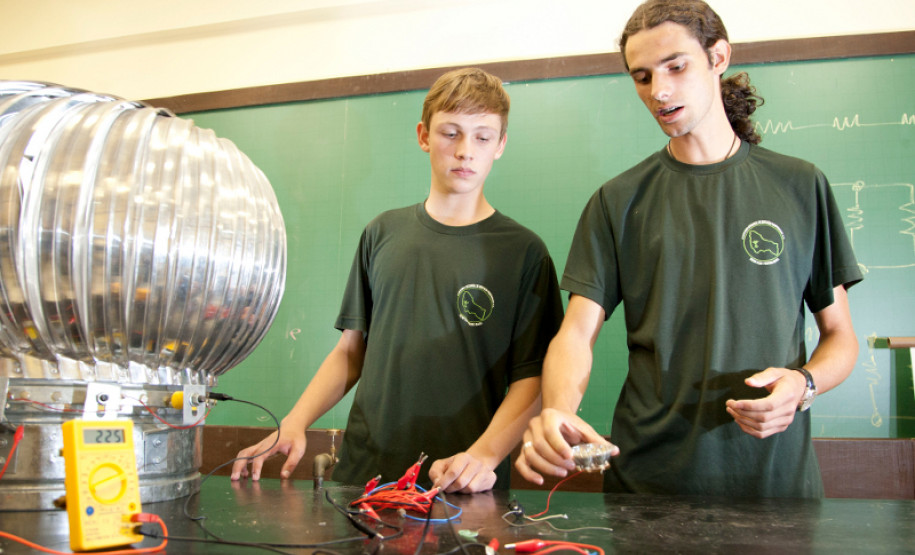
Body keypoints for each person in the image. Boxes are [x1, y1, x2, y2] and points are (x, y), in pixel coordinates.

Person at [515, 0, 862, 498]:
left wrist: (804, 385)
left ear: (718, 57)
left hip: (773, 485)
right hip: (650, 485)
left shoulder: (799, 186)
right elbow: (575, 333)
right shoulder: (618, 201)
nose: (659, 90)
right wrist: (558, 409)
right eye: (642, 76)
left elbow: (840, 337)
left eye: (676, 66)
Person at [231, 67, 564, 494]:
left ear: (500, 145)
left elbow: (533, 379)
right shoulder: (382, 234)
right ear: (424, 136)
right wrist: (295, 422)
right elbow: (351, 352)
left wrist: (484, 456)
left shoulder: (524, 253)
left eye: (482, 137)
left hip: (462, 481)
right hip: (364, 474)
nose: (465, 151)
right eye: (450, 133)